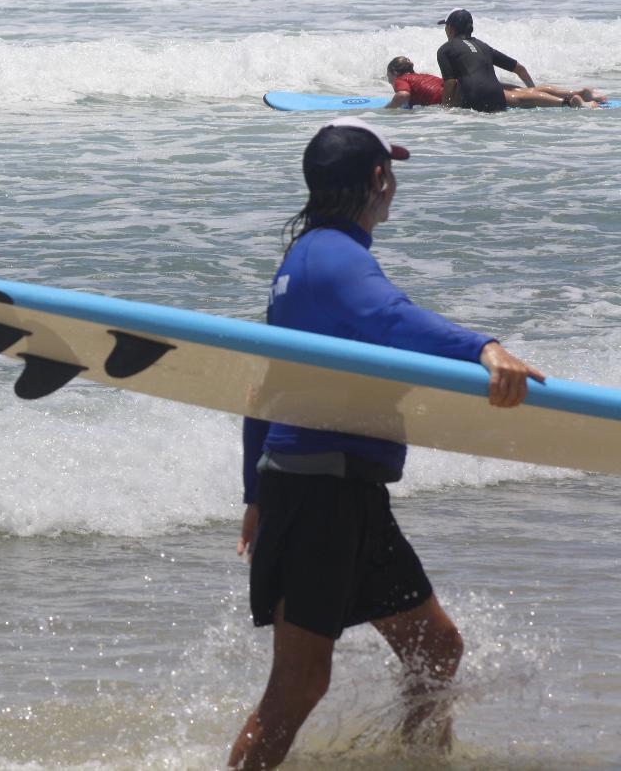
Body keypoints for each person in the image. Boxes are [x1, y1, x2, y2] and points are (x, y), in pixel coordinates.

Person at [228, 117, 545, 770]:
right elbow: (395, 319)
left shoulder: (307, 258)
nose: (393, 183)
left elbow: (267, 383)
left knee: (436, 648)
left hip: (340, 492)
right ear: (378, 178)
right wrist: (483, 346)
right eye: (390, 171)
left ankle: (421, 761)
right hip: (321, 495)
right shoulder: (335, 258)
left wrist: (255, 492)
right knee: (297, 686)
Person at [435, 8, 606, 110]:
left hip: (477, 101)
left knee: (517, 97)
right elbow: (520, 68)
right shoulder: (484, 46)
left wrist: (446, 108)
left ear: (450, 28)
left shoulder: (445, 49)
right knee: (520, 93)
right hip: (497, 96)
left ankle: (568, 104)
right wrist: (533, 89)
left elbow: (450, 83)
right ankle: (579, 94)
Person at [387, 54, 605, 110]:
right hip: (473, 83)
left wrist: (388, 110)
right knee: (523, 90)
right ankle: (576, 92)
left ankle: (569, 104)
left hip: (465, 94)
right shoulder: (422, 75)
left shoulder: (402, 80)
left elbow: (403, 96)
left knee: (518, 98)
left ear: (395, 73)